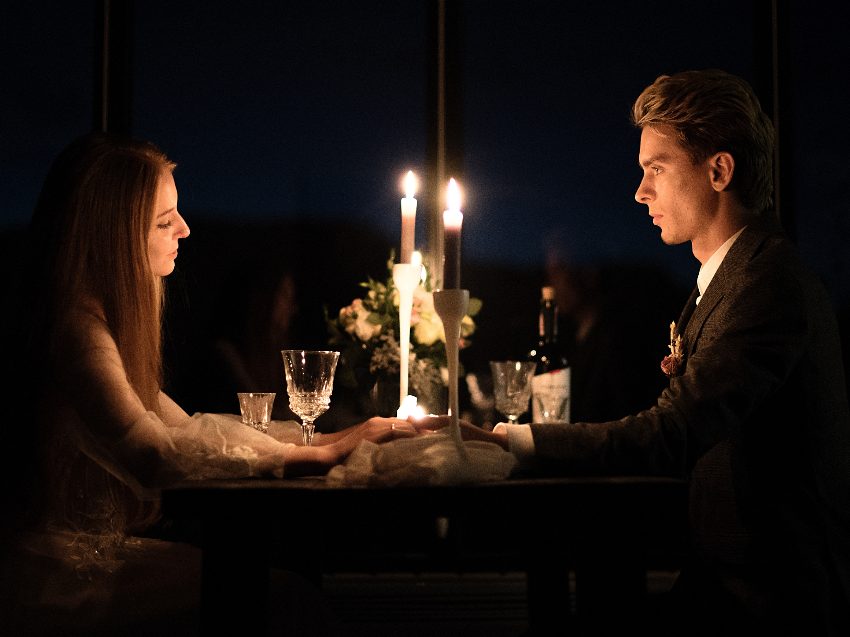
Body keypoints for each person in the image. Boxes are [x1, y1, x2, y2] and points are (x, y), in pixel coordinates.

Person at [416, 69, 850, 636]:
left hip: (772, 600)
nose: (641, 191)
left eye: (656, 169)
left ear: (719, 171)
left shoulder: (768, 285)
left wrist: (508, 440)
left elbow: (673, 433)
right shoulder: (727, 280)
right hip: (720, 581)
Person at [0, 132, 415, 636]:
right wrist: (315, 454)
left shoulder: (96, 324)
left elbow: (187, 430)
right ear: (115, 236)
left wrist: (325, 440)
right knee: (285, 598)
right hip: (53, 580)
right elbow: (153, 453)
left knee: (284, 590)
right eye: (163, 221)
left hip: (83, 560)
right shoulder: (77, 332)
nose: (185, 228)